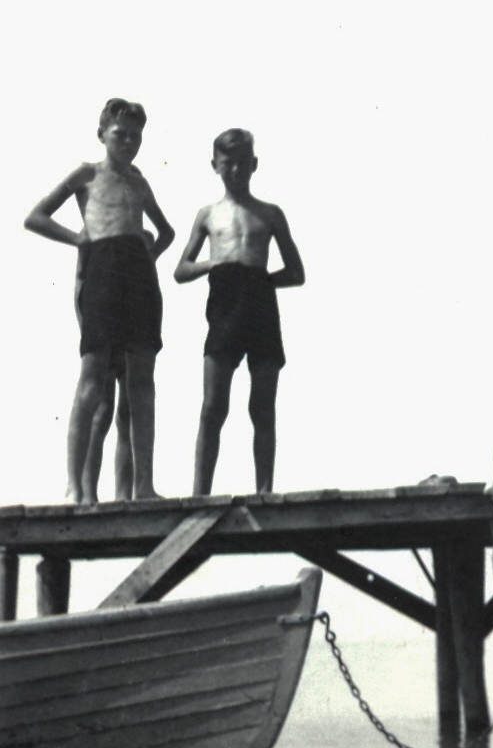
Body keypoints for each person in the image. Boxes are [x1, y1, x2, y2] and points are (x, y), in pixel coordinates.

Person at [25, 98, 174, 503]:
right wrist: (78, 238)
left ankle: (143, 486)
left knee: (141, 382)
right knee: (92, 377)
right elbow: (36, 216)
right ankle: (75, 487)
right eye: (120, 134)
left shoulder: (140, 181)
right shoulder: (86, 174)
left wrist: (148, 254)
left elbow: (166, 231)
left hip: (139, 276)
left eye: (135, 136)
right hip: (102, 269)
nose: (128, 141)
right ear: (102, 134)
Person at [174, 129, 305, 495]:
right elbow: (181, 270)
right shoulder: (208, 215)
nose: (235, 170)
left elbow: (297, 273)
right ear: (215, 165)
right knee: (213, 405)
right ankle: (200, 494)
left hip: (261, 305)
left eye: (243, 163)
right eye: (228, 163)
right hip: (224, 304)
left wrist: (259, 281)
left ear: (254, 165)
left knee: (262, 406)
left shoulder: (270, 213)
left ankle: (264, 491)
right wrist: (215, 264)